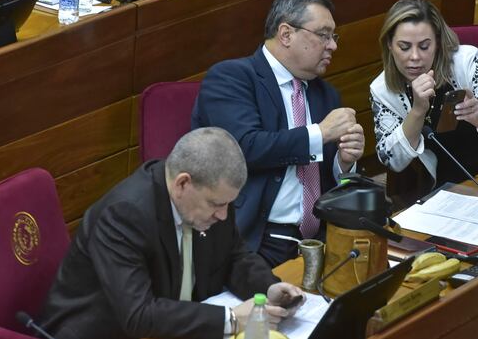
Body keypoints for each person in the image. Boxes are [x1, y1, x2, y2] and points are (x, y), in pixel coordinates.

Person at [39, 127, 304, 339]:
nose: (223, 215)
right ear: (183, 183)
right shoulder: (124, 216)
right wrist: (231, 319)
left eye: (228, 204)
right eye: (216, 204)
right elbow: (139, 316)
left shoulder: (209, 199)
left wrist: (267, 287)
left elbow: (234, 256)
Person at [191, 0, 365, 267]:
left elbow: (334, 180)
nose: (332, 45)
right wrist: (320, 133)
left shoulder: (326, 94)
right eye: (323, 35)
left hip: (319, 241)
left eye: (334, 36)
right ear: (286, 34)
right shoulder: (232, 78)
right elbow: (245, 148)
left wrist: (344, 163)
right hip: (254, 243)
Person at [370, 0, 478, 204]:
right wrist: (418, 111)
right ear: (389, 46)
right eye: (404, 47)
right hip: (453, 182)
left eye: (424, 46)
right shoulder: (382, 90)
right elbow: (393, 160)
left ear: (437, 43)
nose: (415, 57)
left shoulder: (466, 60)